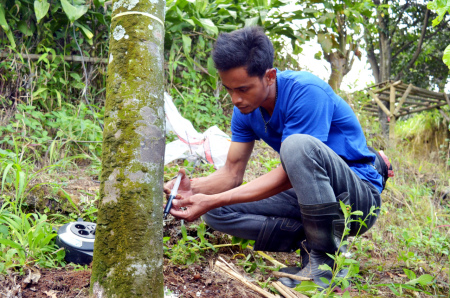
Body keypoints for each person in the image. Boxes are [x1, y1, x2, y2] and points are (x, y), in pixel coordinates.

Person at [164, 26, 382, 289]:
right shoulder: (245, 109)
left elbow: (291, 171)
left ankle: (326, 267)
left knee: (296, 146)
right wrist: (193, 189)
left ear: (269, 76)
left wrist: (213, 198)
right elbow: (231, 173)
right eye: (229, 89)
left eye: (243, 89)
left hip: (356, 199)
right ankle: (312, 242)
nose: (235, 99)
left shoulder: (306, 92)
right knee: (215, 212)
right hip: (310, 196)